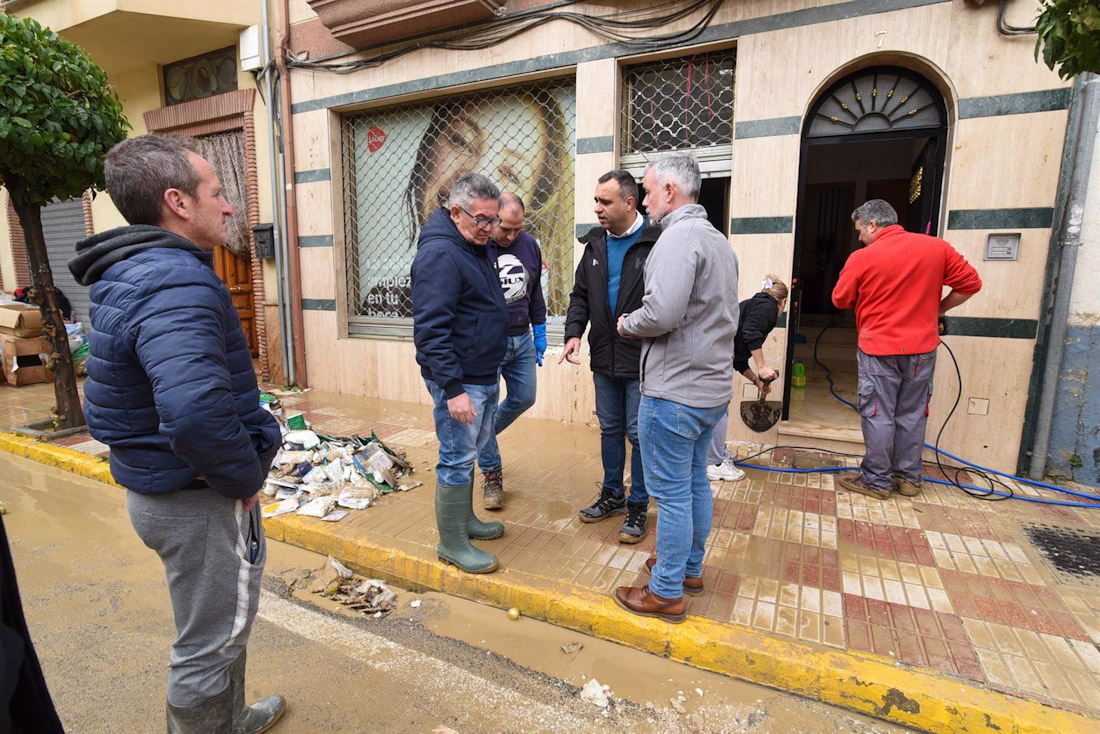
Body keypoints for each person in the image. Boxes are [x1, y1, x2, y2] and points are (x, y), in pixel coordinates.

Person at [68, 135, 284, 733]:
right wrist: (243, 477)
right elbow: (192, 411)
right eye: (217, 193)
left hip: (164, 488)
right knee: (210, 642)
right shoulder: (174, 282)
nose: (230, 206)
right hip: (195, 498)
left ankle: (230, 717)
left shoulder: (139, 270)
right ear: (178, 203)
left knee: (215, 626)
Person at [613, 153, 739, 623]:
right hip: (708, 391)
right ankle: (687, 568)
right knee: (692, 485)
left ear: (669, 191)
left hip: (674, 393)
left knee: (671, 495)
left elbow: (662, 314)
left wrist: (628, 324)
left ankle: (665, 590)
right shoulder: (716, 240)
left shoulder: (675, 238)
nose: (643, 200)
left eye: (646, 190)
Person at [832, 199, 982, 500]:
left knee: (878, 413)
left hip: (878, 350)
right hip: (921, 350)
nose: (860, 237)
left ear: (873, 224)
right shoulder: (937, 248)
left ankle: (876, 481)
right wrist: (936, 310)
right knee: (913, 413)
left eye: (860, 230)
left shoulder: (863, 258)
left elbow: (840, 299)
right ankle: (909, 480)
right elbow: (970, 284)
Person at [412, 172, 509, 574]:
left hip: (481, 374)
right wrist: (453, 389)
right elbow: (431, 330)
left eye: (493, 219)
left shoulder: (472, 245)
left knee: (468, 452)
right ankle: (451, 542)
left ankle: (465, 521)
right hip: (460, 380)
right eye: (482, 219)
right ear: (456, 212)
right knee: (455, 456)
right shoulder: (441, 254)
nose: (490, 228)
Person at [560, 170, 662, 544]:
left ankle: (638, 504)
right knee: (610, 430)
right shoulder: (595, 246)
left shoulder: (656, 242)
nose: (597, 208)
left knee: (639, 434)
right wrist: (574, 334)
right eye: (596, 201)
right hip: (604, 356)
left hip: (641, 359)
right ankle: (613, 495)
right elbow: (580, 296)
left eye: (605, 202)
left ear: (629, 202)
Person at [476, 193, 547, 510]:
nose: (511, 236)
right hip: (488, 342)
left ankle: (481, 438)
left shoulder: (529, 244)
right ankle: (492, 473)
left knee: (525, 397)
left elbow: (534, 291)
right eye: (506, 229)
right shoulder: (477, 246)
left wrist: (540, 327)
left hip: (522, 339)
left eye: (518, 229)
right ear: (492, 221)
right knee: (486, 407)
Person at [707, 276, 789, 481]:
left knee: (719, 407)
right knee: (718, 409)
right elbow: (750, 331)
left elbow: (739, 360)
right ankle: (715, 463)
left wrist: (757, 381)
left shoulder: (756, 304)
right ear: (783, 302)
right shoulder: (769, 308)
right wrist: (762, 366)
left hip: (721, 356)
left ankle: (716, 453)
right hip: (717, 357)